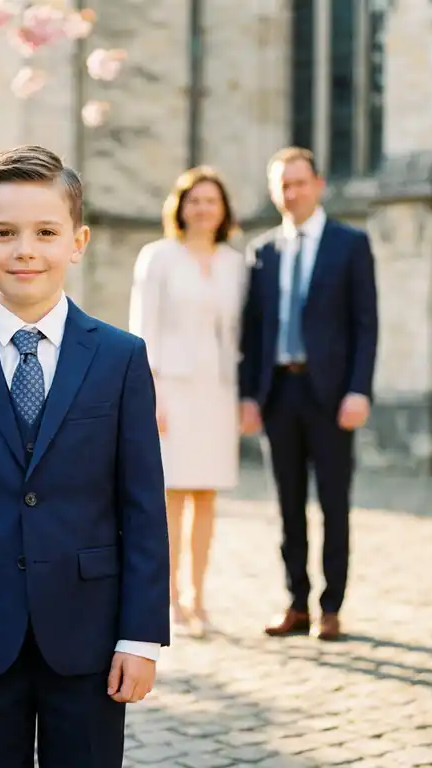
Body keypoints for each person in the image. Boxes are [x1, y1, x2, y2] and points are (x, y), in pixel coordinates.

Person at [0, 145, 170, 767]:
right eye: (4, 233)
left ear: (78, 241)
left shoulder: (121, 358)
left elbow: (143, 508)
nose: (26, 249)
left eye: (46, 232)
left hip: (91, 635)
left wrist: (142, 635)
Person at [239, 146, 378, 641]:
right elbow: (252, 333)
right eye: (283, 185)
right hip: (279, 393)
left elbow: (366, 325)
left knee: (334, 504)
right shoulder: (263, 251)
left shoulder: (350, 244)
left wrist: (359, 389)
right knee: (287, 506)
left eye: (299, 182)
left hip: (332, 395)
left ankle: (331, 605)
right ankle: (296, 602)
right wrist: (248, 395)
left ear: (318, 185)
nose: (291, 192)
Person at [129, 166, 247, 639]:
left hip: (218, 389)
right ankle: (170, 596)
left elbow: (241, 334)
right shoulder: (157, 257)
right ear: (180, 207)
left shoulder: (235, 263)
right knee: (171, 496)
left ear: (223, 210)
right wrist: (150, 394)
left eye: (211, 201)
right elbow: (143, 328)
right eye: (194, 200)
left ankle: (200, 596)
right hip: (170, 388)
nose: (202, 208)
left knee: (207, 493)